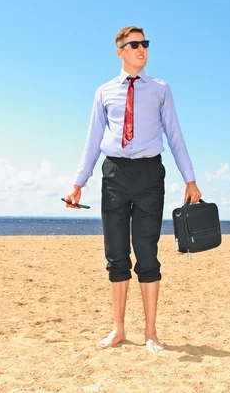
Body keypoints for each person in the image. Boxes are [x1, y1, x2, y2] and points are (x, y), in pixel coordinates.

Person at [65, 26, 202, 353]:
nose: (142, 49)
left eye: (145, 44)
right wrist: (77, 184)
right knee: (115, 255)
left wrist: (190, 179)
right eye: (134, 45)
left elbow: (175, 135)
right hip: (114, 174)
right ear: (120, 51)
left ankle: (151, 333)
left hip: (149, 175)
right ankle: (118, 329)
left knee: (147, 253)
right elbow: (92, 142)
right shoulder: (104, 92)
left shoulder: (160, 89)